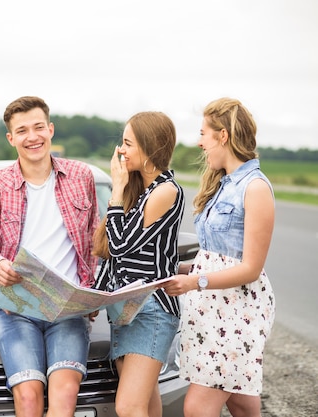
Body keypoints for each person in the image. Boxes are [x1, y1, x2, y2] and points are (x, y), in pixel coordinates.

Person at [0, 96, 99, 417]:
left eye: (39, 127)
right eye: (22, 130)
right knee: (28, 398)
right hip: (17, 309)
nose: (33, 137)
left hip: (68, 308)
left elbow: (97, 241)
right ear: (11, 138)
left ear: (51, 129)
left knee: (65, 395)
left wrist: (96, 293)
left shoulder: (81, 176)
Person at [160, 98, 276, 417]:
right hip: (210, 311)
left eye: (203, 134)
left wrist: (194, 281)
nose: (199, 142)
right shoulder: (221, 184)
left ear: (222, 136)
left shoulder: (255, 189)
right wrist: (174, 270)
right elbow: (214, 257)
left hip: (238, 312)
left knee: (197, 407)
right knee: (240, 401)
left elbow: (250, 268)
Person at [91, 111, 185, 417]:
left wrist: (116, 190)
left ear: (150, 148)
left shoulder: (166, 192)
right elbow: (112, 258)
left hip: (151, 311)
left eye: (128, 143)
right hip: (123, 312)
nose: (121, 150)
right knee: (146, 406)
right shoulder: (137, 192)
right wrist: (93, 295)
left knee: (129, 407)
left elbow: (121, 244)